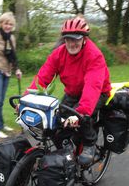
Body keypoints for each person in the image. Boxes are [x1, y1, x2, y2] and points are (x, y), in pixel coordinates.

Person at [27, 17, 111, 165]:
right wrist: (27, 99)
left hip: (98, 92)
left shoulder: (94, 55)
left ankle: (89, 144)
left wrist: (82, 112)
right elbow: (42, 77)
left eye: (76, 39)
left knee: (82, 117)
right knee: (56, 121)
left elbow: (93, 86)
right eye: (68, 39)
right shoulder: (58, 54)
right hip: (73, 91)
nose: (72, 43)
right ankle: (67, 148)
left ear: (84, 39)